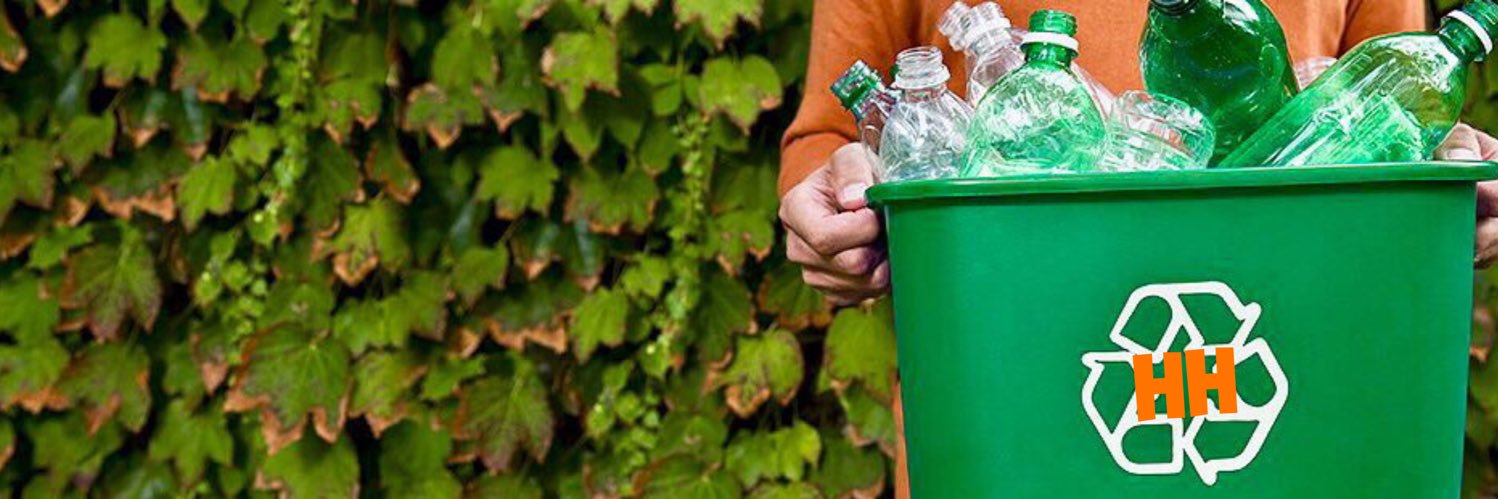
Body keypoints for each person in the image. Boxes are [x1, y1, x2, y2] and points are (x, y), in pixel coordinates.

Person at [777, 1, 1498, 496]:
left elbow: (1391, 112)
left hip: (1309, 428)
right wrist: (829, 200)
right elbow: (833, 132)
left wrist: (1449, 175)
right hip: (1013, 423)